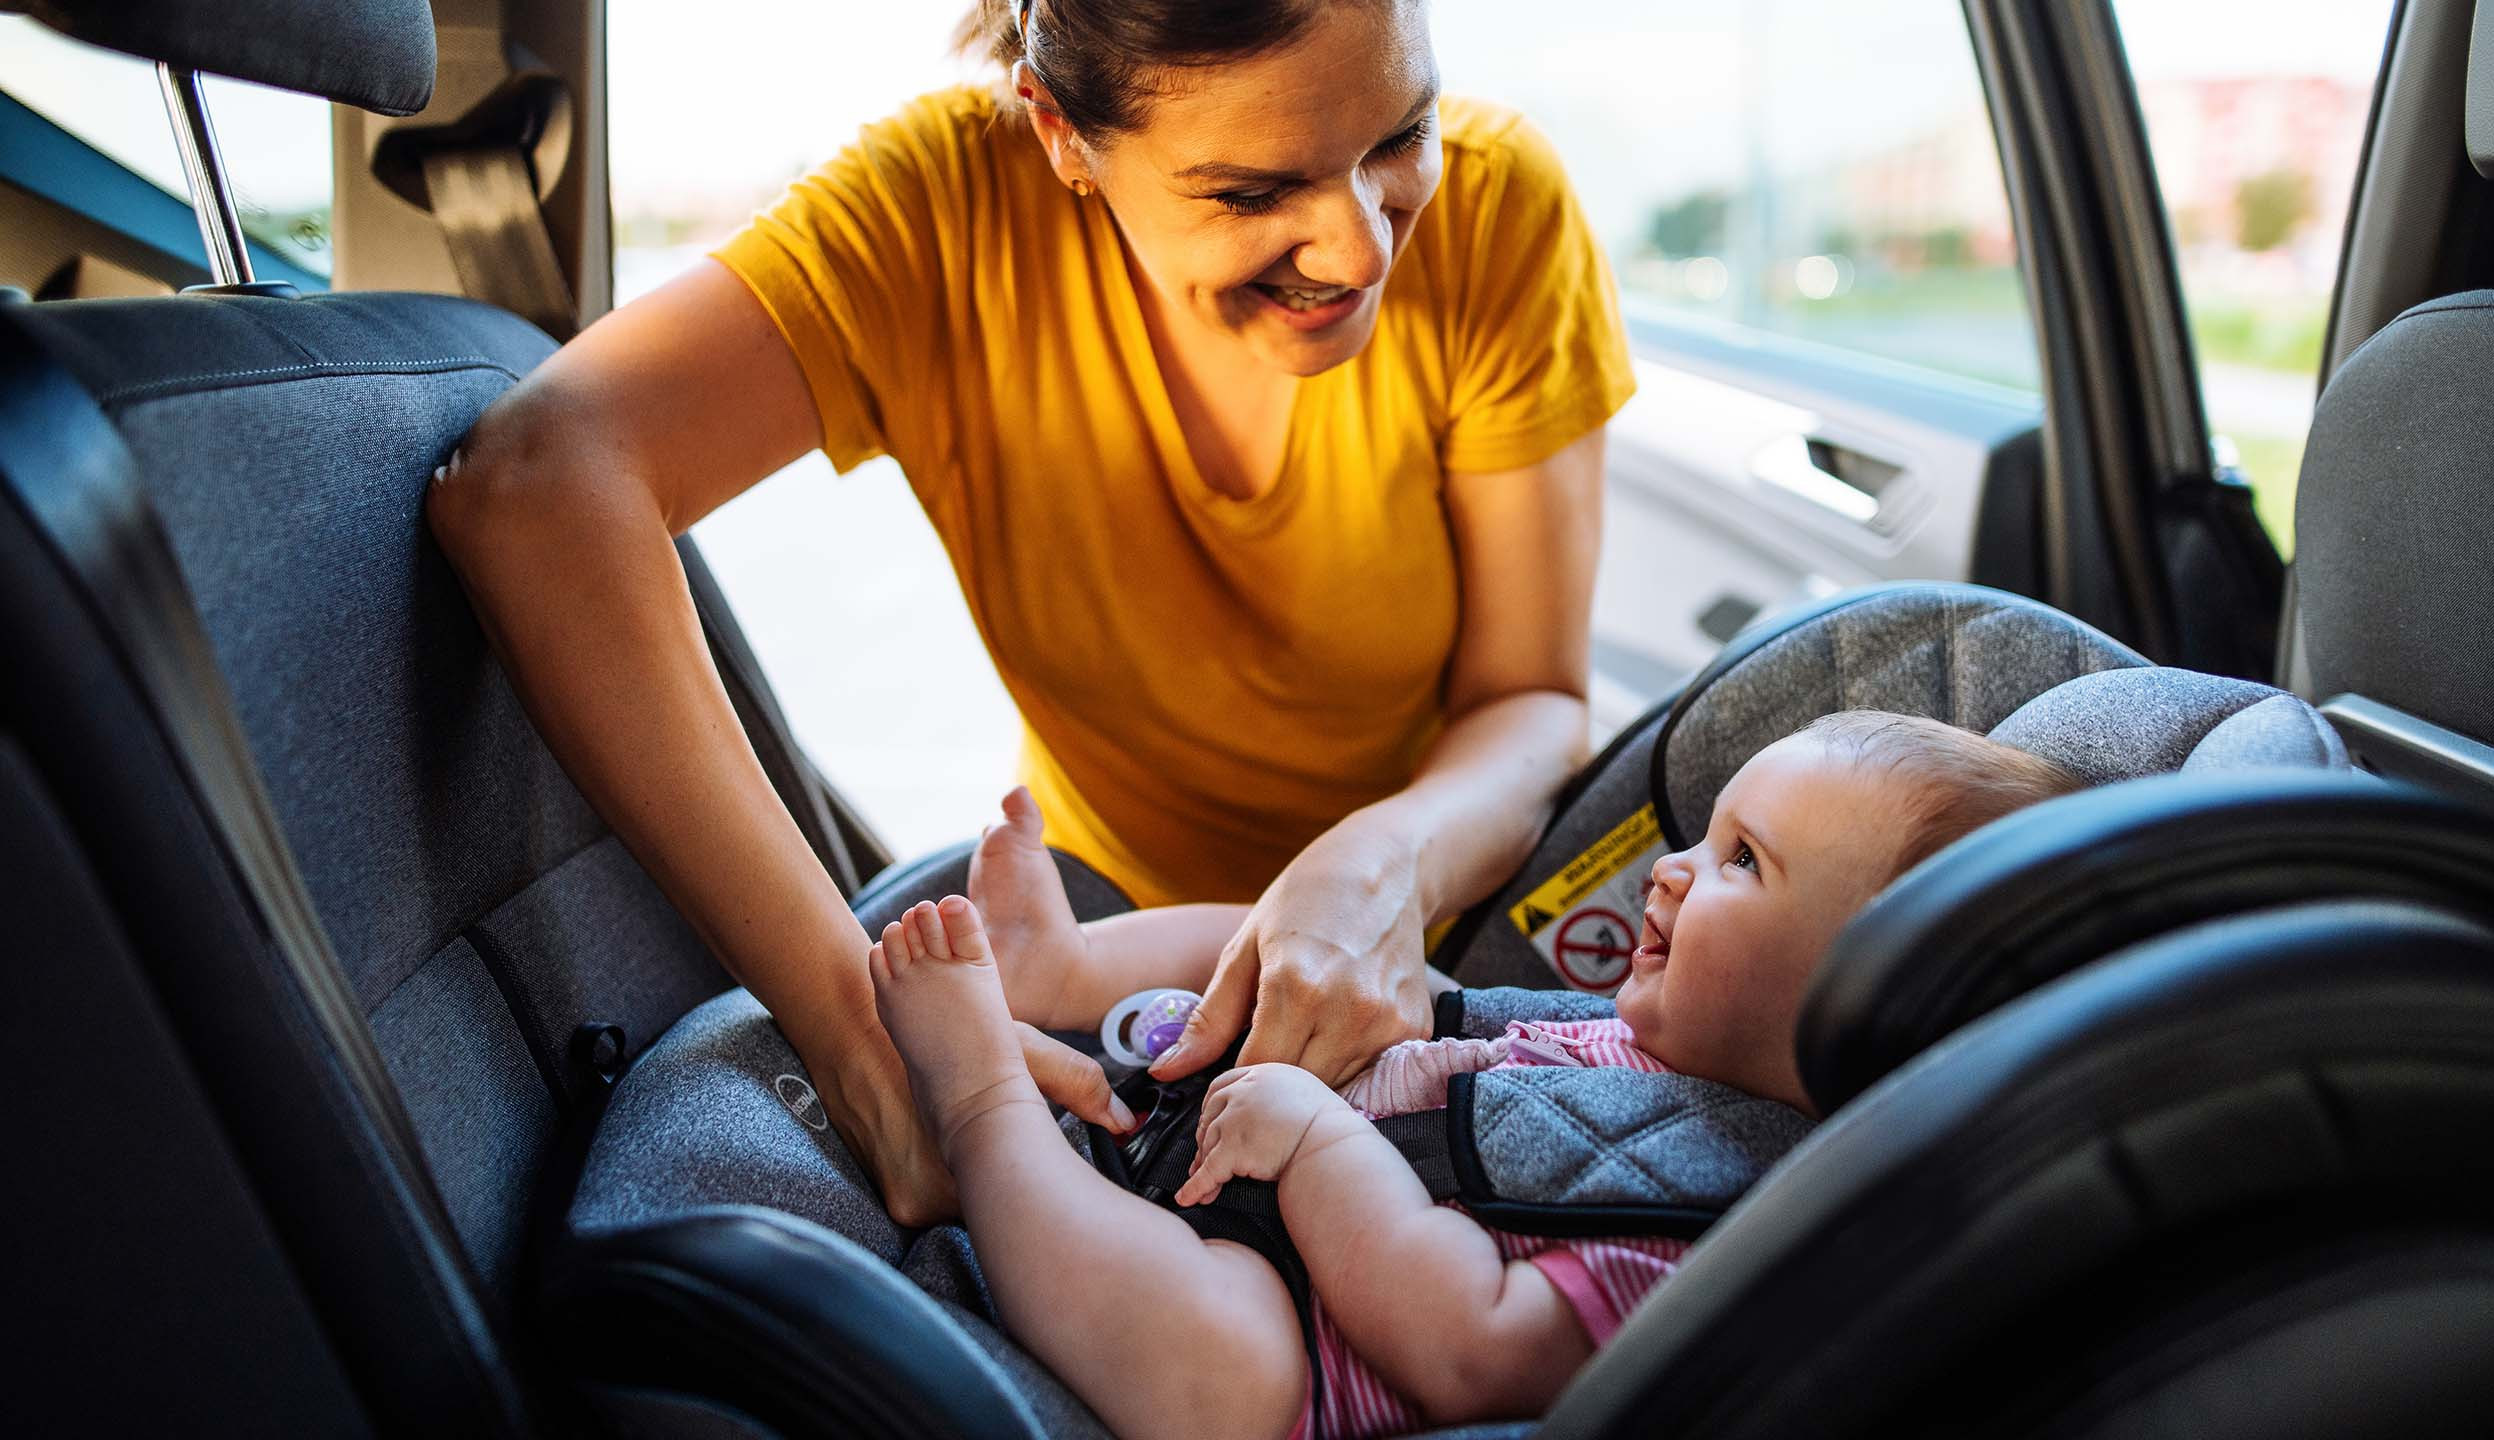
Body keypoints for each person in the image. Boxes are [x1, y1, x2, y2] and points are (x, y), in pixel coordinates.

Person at [428, 0, 1633, 1224]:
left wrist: (1382, 862)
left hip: (1443, 913)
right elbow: (534, 487)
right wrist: (870, 1053)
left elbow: (1528, 703)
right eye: (1247, 194)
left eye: (1399, 136)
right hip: (1114, 931)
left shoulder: (1502, 209)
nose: (1361, 247)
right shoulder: (941, 216)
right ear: (1061, 134)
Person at [867, 712, 2087, 1439]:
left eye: (1740, 865)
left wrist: (1316, 1146)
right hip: (1282, 1100)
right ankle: (1060, 973)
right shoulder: (1650, 1036)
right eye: (1702, 834)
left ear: (1861, 1005)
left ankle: (977, 1108)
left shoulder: (1722, 1233)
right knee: (1288, 937)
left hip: (1290, 1303)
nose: (1665, 871)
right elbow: (1462, 1041)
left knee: (1223, 1387)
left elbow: (1470, 1344)